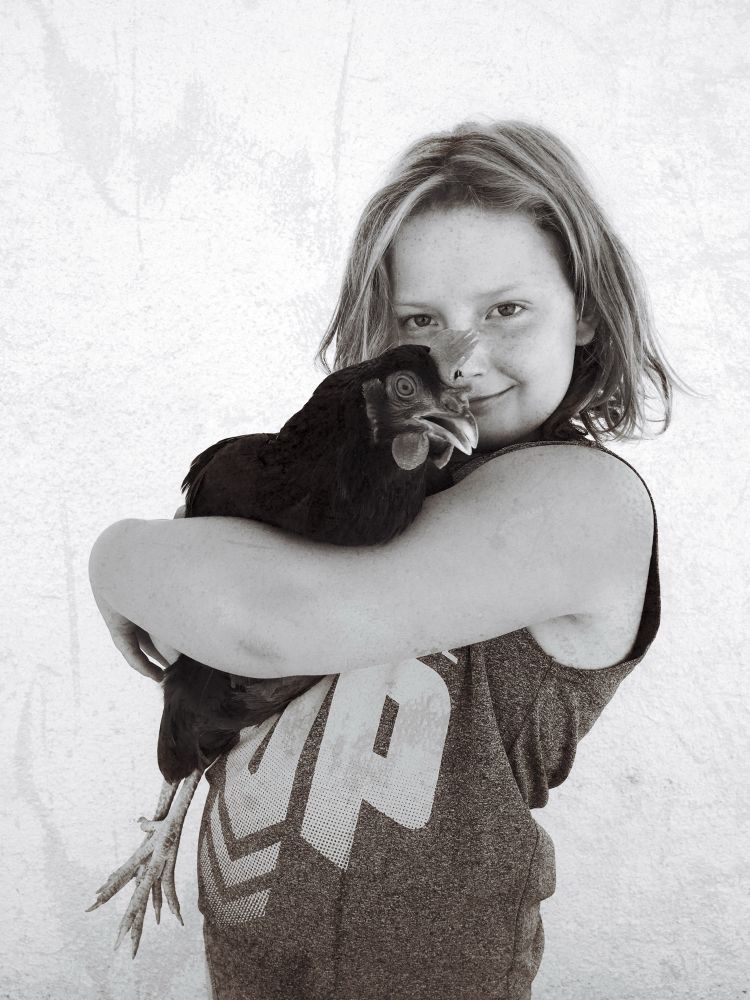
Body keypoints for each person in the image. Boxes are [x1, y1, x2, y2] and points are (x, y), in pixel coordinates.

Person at [89, 120, 684, 999]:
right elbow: (203, 635)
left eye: (507, 309)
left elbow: (266, 622)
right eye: (422, 320)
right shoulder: (378, 483)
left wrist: (117, 554)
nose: (463, 360)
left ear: (586, 309)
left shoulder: (581, 504)